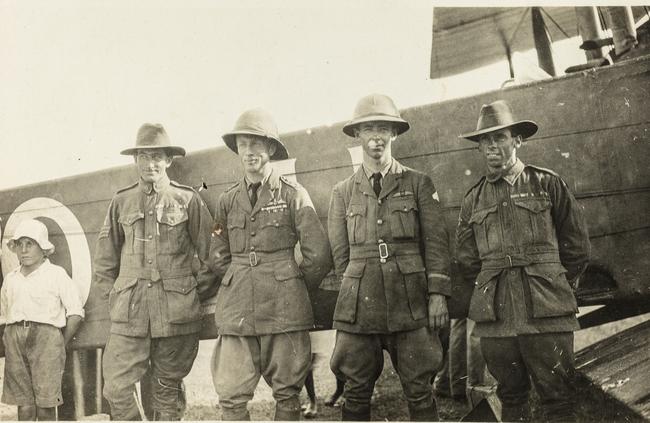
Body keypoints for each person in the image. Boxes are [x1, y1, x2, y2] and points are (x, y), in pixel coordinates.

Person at [456, 100, 591, 421]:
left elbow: (577, 247)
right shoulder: (473, 199)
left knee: (558, 398)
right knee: (511, 397)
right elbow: (466, 259)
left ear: (517, 140)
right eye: (485, 140)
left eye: (499, 137)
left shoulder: (547, 183)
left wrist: (554, 283)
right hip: (497, 320)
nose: (491, 146)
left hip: (546, 312)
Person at [328, 94, 451, 421]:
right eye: (368, 129)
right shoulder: (342, 192)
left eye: (383, 128)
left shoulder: (418, 183)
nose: (376, 137)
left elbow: (437, 243)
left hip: (409, 302)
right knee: (355, 391)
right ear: (357, 135)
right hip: (360, 307)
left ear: (394, 134)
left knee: (419, 389)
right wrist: (355, 288)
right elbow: (341, 256)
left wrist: (437, 294)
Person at [209, 108, 332, 420]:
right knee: (231, 397)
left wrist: (291, 282)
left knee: (288, 393)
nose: (249, 152)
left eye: (257, 144)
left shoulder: (293, 194)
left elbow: (318, 253)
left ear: (272, 149)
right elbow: (218, 254)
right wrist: (240, 279)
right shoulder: (228, 199)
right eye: (243, 145)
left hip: (284, 308)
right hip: (237, 309)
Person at [90, 123, 217, 420]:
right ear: (135, 160)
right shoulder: (121, 201)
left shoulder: (187, 200)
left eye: (157, 156)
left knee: (166, 390)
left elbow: (214, 254)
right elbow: (104, 261)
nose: (151, 163)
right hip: (130, 315)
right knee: (116, 388)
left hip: (176, 315)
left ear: (169, 160)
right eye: (144, 156)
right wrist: (118, 297)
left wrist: (190, 292)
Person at [1, 219, 84, 421]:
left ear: (43, 248)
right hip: (15, 339)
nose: (24, 249)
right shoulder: (11, 279)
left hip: (47, 340)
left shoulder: (56, 274)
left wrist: (59, 343)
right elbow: (4, 314)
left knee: (46, 405)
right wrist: (10, 339)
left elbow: (75, 313)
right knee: (24, 405)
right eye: (20, 244)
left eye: (30, 244)